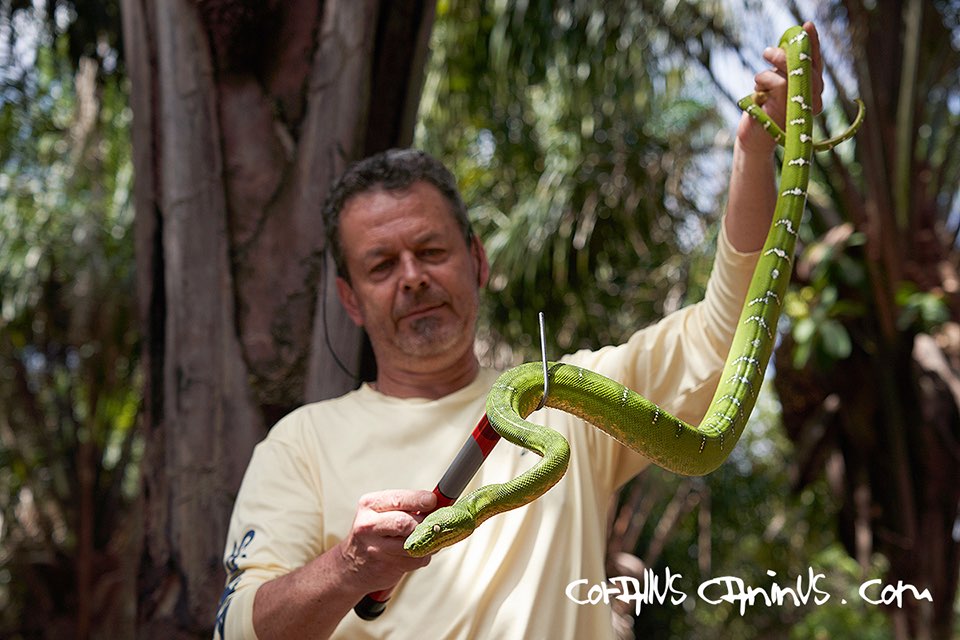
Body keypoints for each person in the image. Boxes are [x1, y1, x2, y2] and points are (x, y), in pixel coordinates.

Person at [215, 23, 824, 640]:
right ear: (348, 298)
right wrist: (351, 567)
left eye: (431, 250)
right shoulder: (301, 443)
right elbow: (235, 629)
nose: (413, 278)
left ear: (478, 261)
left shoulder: (568, 400)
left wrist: (755, 148)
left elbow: (734, 323)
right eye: (380, 265)